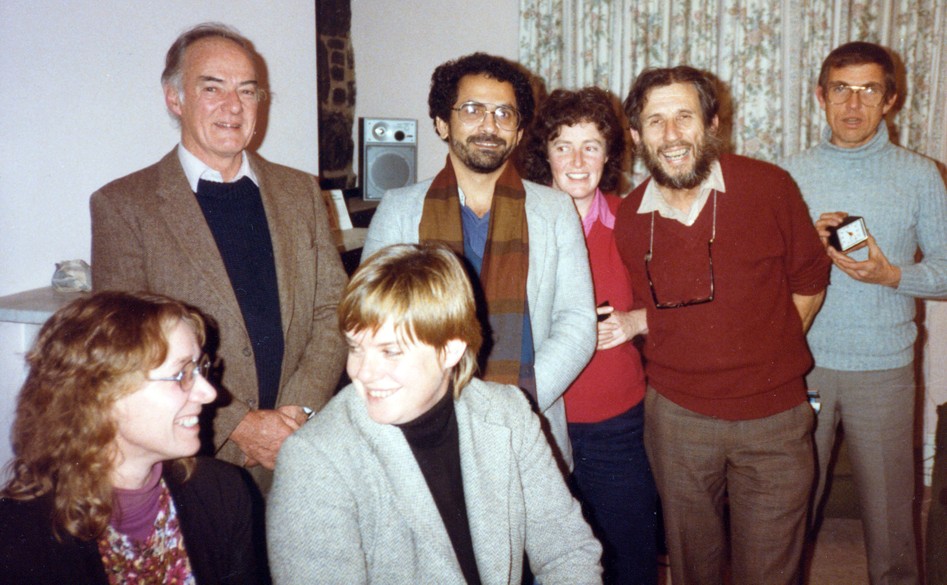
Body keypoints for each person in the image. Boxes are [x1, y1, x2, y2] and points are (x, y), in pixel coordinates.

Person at [90, 23, 347, 489]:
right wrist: (241, 425)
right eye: (213, 88)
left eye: (248, 91)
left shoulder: (301, 192)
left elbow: (334, 309)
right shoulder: (123, 205)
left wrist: (299, 410)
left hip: (299, 445)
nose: (233, 106)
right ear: (175, 99)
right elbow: (126, 348)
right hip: (195, 459)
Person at [267, 243, 603, 583]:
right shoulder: (315, 459)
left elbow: (568, 551)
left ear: (450, 350)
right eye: (356, 348)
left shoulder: (508, 414)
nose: (362, 372)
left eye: (390, 351)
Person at [614, 65, 831, 585]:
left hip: (775, 418)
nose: (671, 135)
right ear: (636, 135)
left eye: (684, 117)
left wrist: (768, 348)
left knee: (771, 570)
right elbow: (662, 310)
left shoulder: (768, 187)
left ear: (712, 123)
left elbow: (809, 278)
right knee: (694, 567)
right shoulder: (628, 217)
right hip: (677, 421)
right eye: (656, 121)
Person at [362, 53, 596, 469]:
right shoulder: (398, 210)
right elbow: (375, 324)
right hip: (422, 424)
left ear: (520, 131)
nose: (489, 125)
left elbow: (577, 323)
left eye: (504, 113)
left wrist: (516, 400)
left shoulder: (556, 211)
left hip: (529, 423)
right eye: (472, 110)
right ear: (441, 123)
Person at [780, 41, 947, 585]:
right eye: (841, 89)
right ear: (820, 96)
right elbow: (759, 276)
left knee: (893, 519)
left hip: (884, 369)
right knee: (785, 509)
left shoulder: (922, 175)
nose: (854, 103)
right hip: (801, 364)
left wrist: (891, 276)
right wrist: (805, 244)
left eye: (868, 89)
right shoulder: (785, 176)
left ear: (890, 99)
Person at [0, 291, 265, 584]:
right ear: (101, 397)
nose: (210, 392)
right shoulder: (19, 535)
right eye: (182, 374)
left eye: (199, 368)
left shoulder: (224, 492)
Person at [521, 86, 656, 585]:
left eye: (591, 146)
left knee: (628, 556)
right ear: (545, 155)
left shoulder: (632, 221)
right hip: (537, 417)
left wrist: (635, 321)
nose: (577, 160)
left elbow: (676, 303)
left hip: (615, 422)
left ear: (608, 155)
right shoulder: (519, 225)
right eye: (563, 146)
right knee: (544, 559)